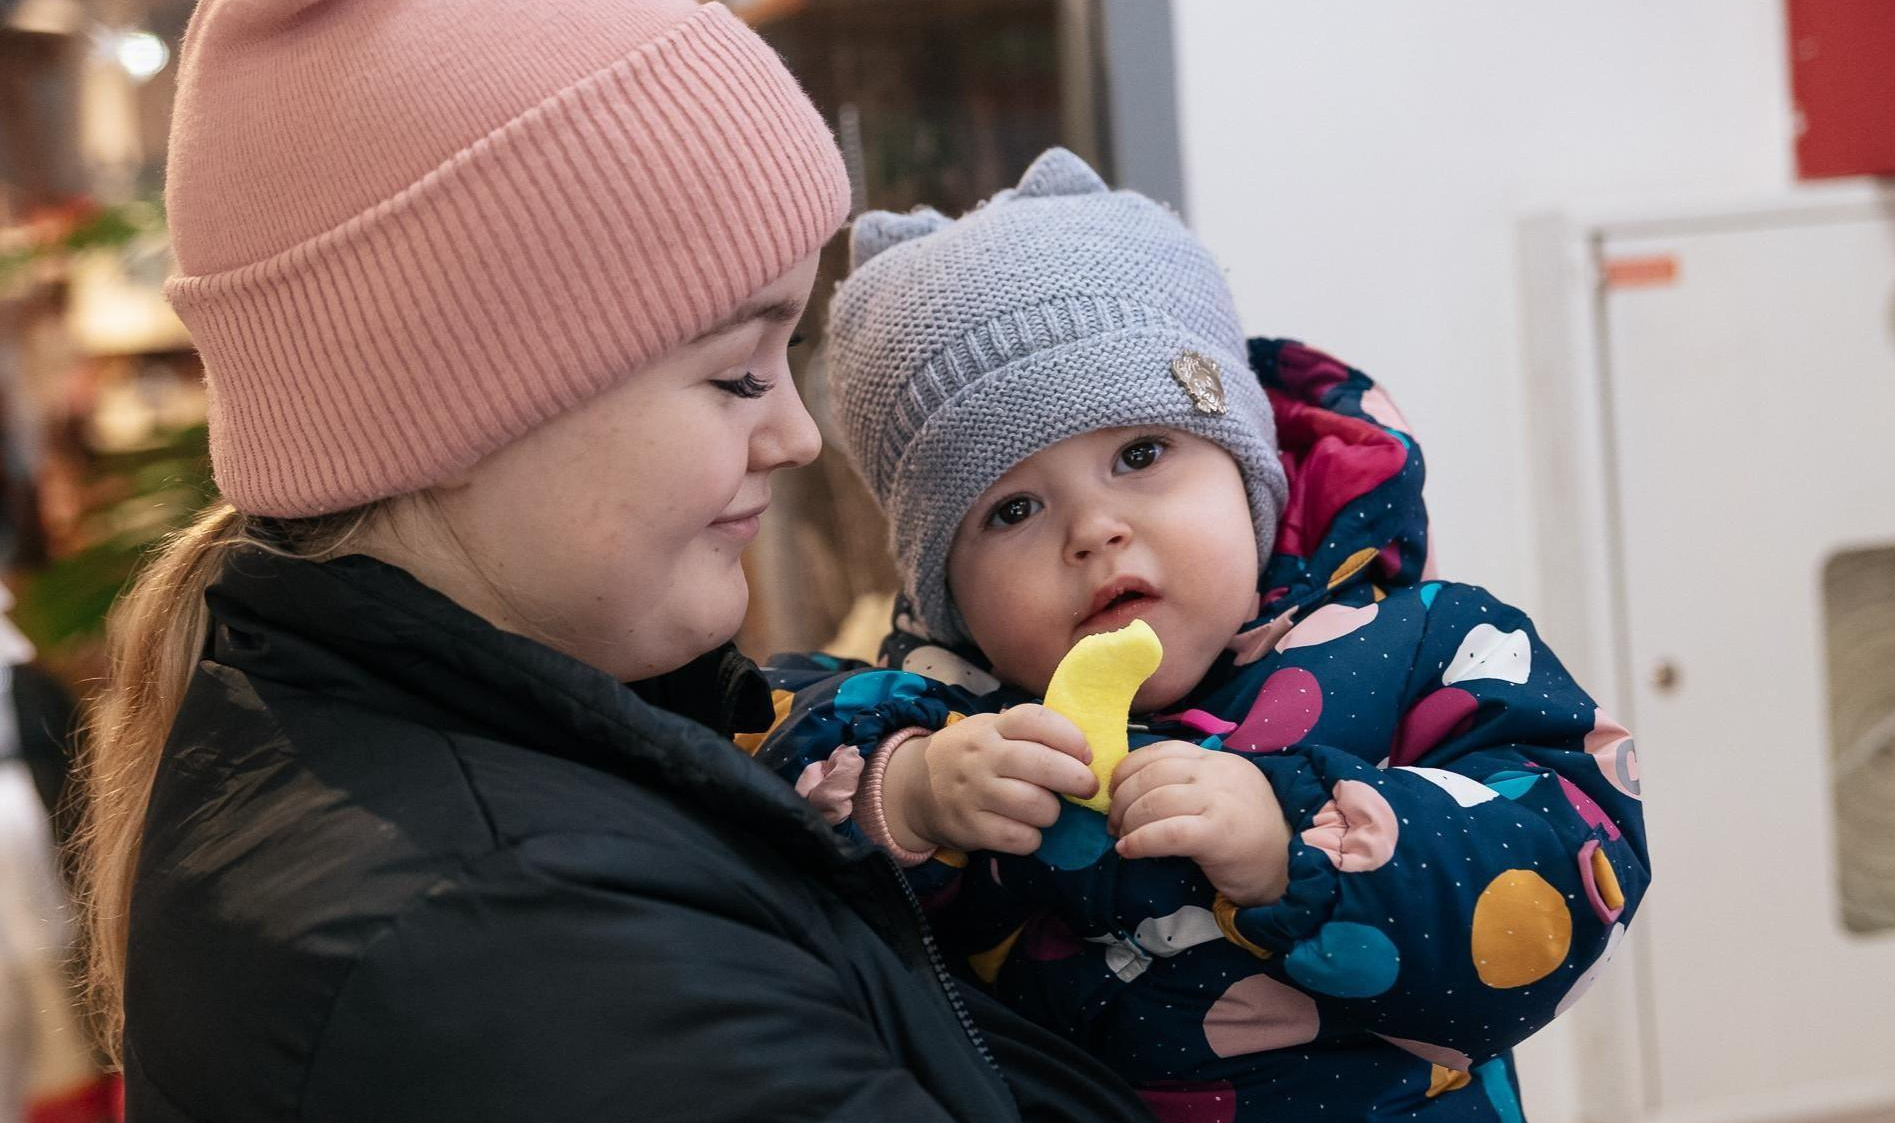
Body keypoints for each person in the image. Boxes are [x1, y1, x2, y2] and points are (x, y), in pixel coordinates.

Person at [76, 3, 1151, 1120]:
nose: (795, 434)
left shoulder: (478, 781)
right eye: (738, 371)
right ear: (454, 409)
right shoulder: (519, 949)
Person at [756, 148, 1650, 1121]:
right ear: (946, 595)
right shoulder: (950, 722)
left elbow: (1573, 868)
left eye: (1140, 454)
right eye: (1011, 510)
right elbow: (765, 798)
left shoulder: (1426, 649)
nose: (1092, 530)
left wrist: (1295, 843)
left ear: (1249, 468)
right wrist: (909, 795)